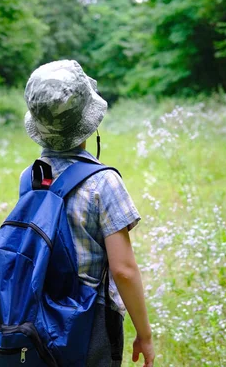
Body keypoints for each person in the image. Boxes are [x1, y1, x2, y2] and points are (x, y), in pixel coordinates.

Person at [23, 60, 155, 367]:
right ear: (90, 123)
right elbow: (123, 270)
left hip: (40, 315)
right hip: (91, 321)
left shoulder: (31, 176)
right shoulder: (103, 183)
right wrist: (144, 334)